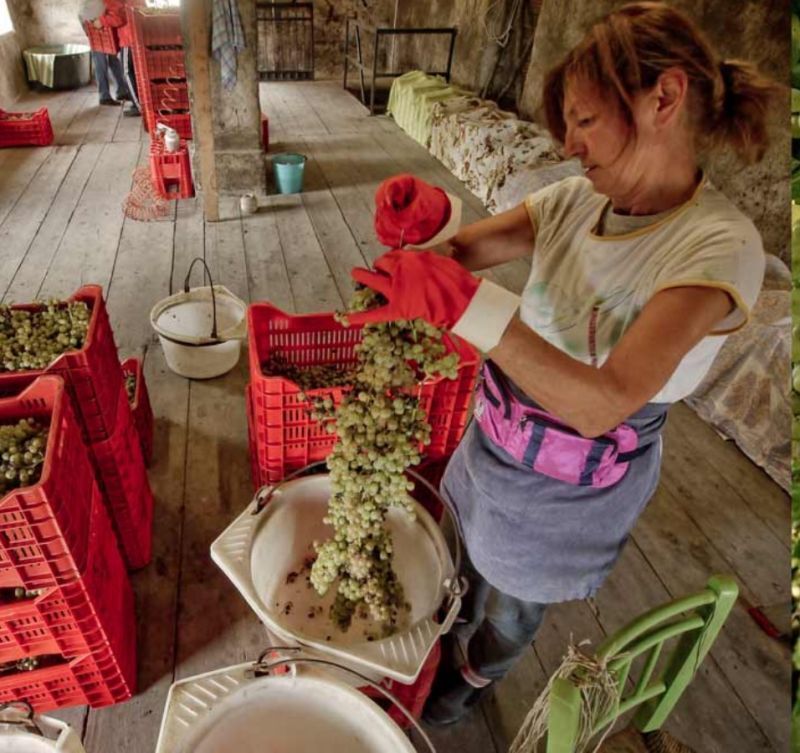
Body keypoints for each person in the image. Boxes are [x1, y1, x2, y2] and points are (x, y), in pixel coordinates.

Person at [346, 1, 783, 726]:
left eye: (583, 120)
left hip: (573, 486)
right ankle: (443, 642)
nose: (570, 144)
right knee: (456, 557)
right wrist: (425, 226)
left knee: (512, 613)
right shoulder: (576, 199)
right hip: (498, 437)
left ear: (663, 99)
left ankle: (468, 682)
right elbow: (463, 255)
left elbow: (602, 400)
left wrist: (467, 305)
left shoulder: (717, 248)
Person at [79, 0, 130, 106]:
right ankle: (104, 96)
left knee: (112, 57)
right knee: (100, 60)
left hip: (94, 17)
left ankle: (121, 90)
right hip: (94, 20)